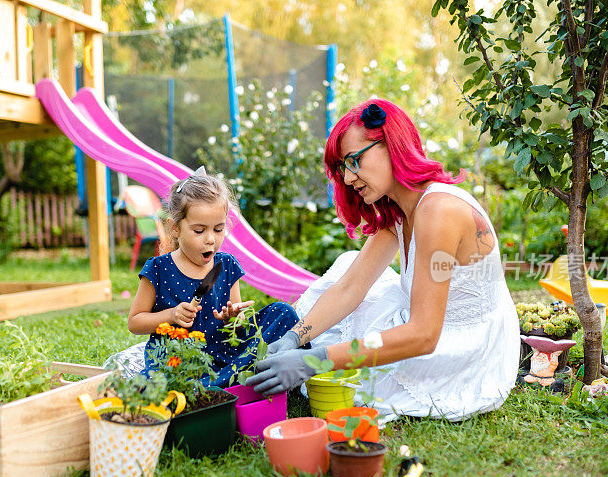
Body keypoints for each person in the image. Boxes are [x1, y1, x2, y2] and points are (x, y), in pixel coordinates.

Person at [246, 100, 520, 423]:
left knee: (356, 361)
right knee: (347, 264)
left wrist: (317, 361)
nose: (348, 179)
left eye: (354, 161)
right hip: (425, 326)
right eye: (343, 168)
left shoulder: (439, 212)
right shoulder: (401, 210)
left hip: (462, 347)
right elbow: (350, 287)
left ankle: (301, 363)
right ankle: (294, 356)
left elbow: (423, 335)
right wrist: (295, 335)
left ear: (392, 145)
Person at [127, 167, 300, 387]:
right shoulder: (158, 269)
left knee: (283, 313)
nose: (210, 240)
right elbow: (135, 322)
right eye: (199, 231)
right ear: (175, 228)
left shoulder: (226, 264)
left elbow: (238, 324)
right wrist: (171, 315)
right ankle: (223, 385)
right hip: (180, 359)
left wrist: (233, 319)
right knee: (157, 382)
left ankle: (217, 384)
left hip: (225, 353)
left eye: (218, 229)